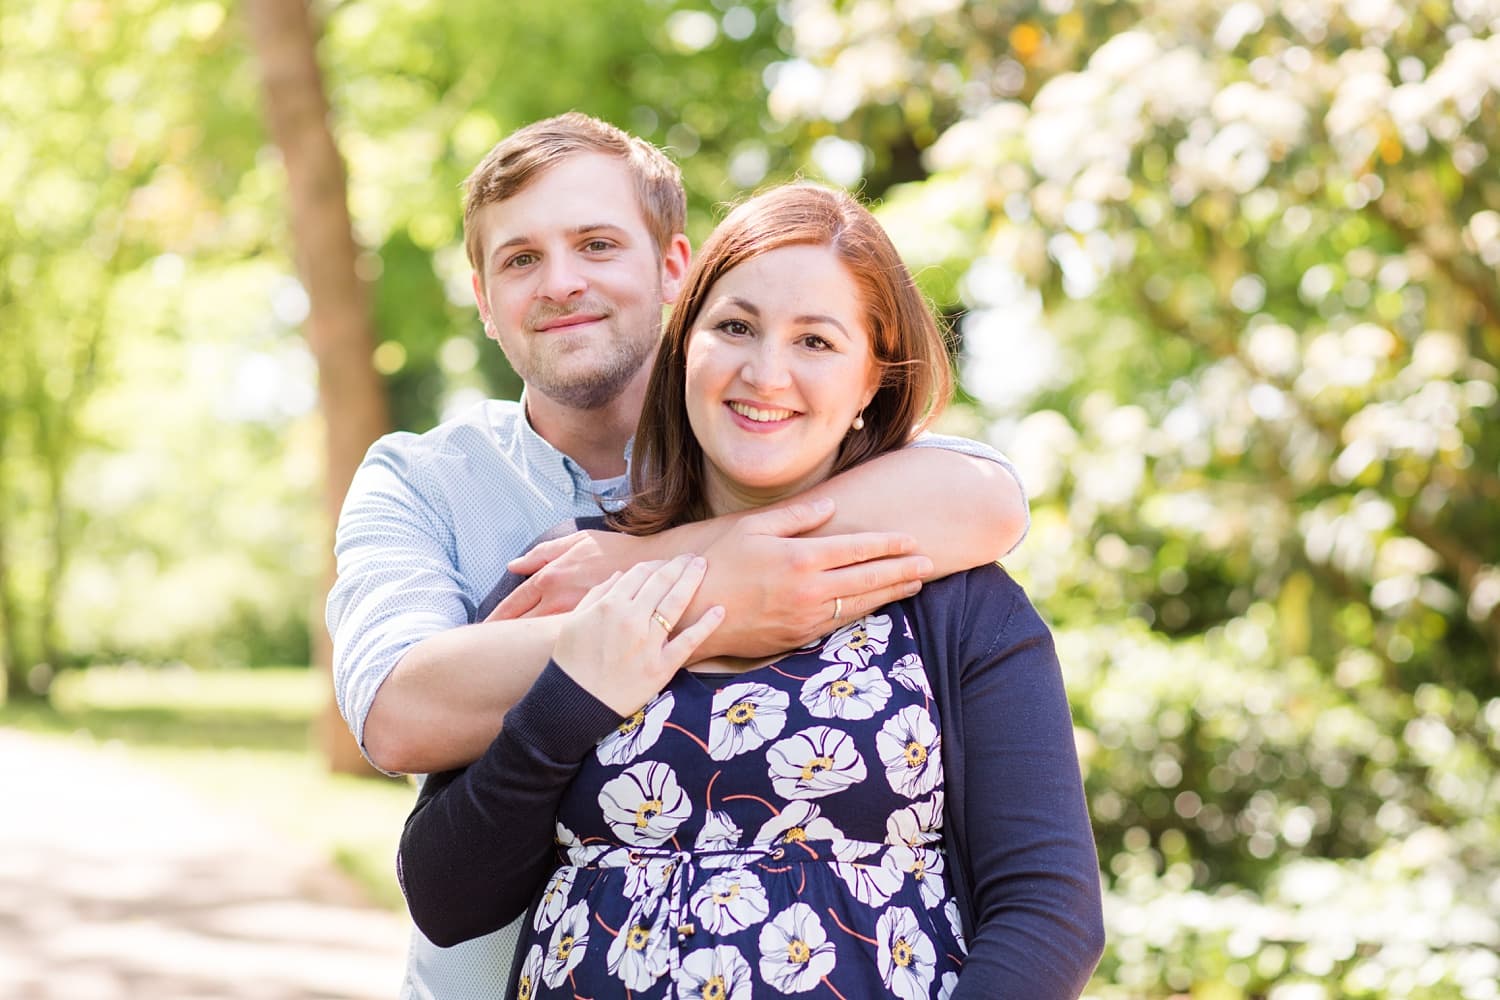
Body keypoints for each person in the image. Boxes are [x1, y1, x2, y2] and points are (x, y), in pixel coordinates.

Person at [327, 114, 1032, 998]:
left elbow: (987, 496)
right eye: (520, 259)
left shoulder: (763, 448)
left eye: (596, 243)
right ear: (481, 293)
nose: (562, 283)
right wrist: (708, 601)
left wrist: (648, 564)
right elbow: (395, 712)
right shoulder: (422, 480)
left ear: (673, 269)